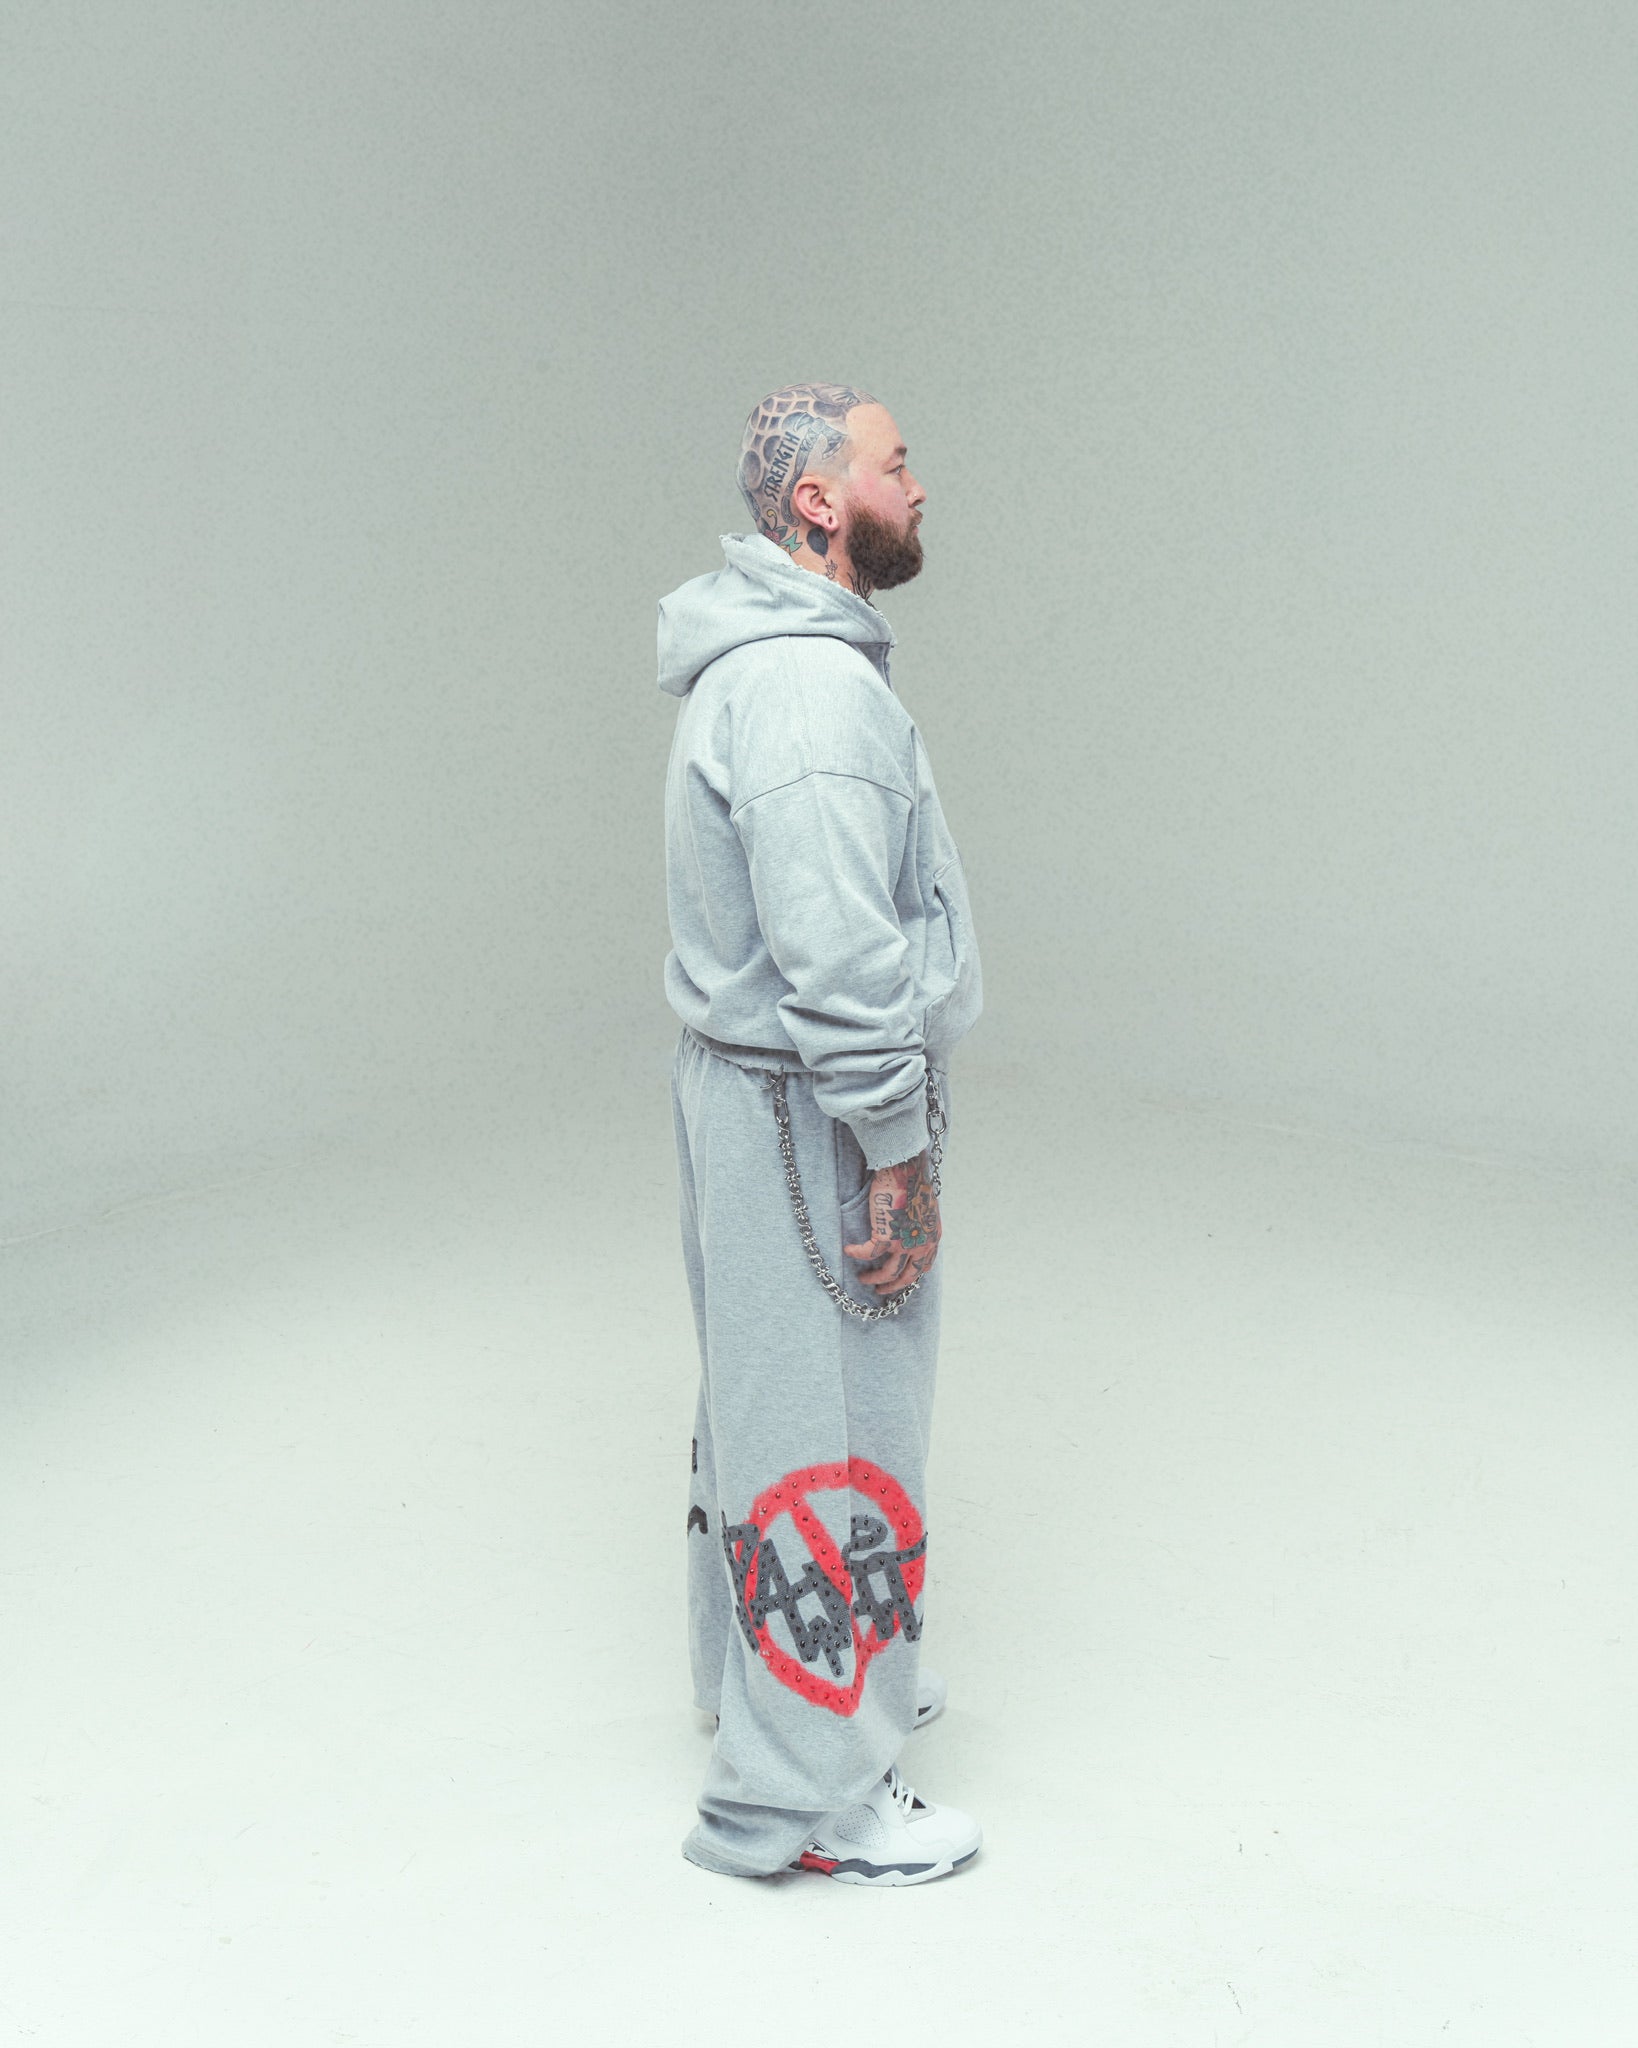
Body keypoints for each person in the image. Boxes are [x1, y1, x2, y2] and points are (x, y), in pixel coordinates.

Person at [657, 381, 984, 1886]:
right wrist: (896, 1150)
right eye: (893, 465)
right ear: (817, 501)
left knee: (778, 1393)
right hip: (810, 1103)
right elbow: (840, 957)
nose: (916, 488)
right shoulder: (807, 693)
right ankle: (806, 1799)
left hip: (764, 1094)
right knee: (823, 1413)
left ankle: (809, 1676)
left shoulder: (778, 665)